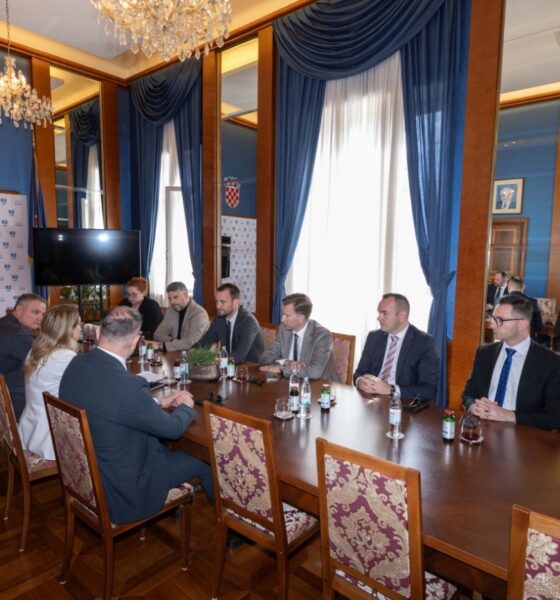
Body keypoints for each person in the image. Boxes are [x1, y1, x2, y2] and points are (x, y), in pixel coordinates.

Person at [59, 306, 214, 525]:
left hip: (90, 474)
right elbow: (172, 429)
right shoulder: (128, 386)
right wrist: (187, 407)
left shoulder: (77, 363)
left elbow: (111, 406)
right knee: (205, 461)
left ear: (98, 332)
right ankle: (230, 531)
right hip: (124, 490)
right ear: (134, 342)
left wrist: (158, 402)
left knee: (168, 448)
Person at [462, 295, 560, 430]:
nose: (492, 325)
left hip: (524, 435)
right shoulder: (484, 353)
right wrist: (473, 406)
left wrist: (510, 416)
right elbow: (468, 394)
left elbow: (554, 417)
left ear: (522, 324)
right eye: (493, 318)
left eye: (500, 320)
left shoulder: (550, 362)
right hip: (482, 430)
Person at [19, 304, 81, 460]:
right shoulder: (64, 356)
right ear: (69, 329)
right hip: (49, 438)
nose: (81, 328)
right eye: (79, 324)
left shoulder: (36, 350)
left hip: (31, 427)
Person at [353, 293, 439, 401]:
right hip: (371, 400)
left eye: (384, 313)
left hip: (402, 404)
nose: (379, 318)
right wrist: (360, 381)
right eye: (379, 313)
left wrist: (391, 390)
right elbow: (359, 372)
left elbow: (429, 390)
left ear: (402, 316)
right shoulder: (374, 337)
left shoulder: (425, 343)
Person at [259, 293, 339, 380]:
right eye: (283, 314)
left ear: (301, 318)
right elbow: (265, 357)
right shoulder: (284, 329)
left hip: (321, 385)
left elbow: (314, 372)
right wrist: (287, 362)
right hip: (291, 382)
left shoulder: (322, 336)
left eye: (287, 316)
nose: (282, 319)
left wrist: (281, 369)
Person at [0, 293, 47, 420]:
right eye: (35, 312)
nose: (40, 318)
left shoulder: (3, 323)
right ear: (19, 310)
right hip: (14, 402)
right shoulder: (19, 333)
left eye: (42, 314)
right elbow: (46, 363)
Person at [197, 283, 263, 363]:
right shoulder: (219, 318)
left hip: (249, 367)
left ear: (235, 303)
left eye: (222, 302)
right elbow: (204, 343)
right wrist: (191, 353)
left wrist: (213, 360)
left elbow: (238, 356)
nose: (218, 306)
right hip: (227, 366)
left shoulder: (249, 322)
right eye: (217, 301)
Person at [153, 282, 209, 352]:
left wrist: (162, 346)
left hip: (195, 355)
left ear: (185, 295)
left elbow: (190, 342)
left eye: (175, 297)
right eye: (170, 299)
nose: (172, 302)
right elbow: (157, 334)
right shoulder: (171, 310)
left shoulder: (199, 313)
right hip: (174, 353)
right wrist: (173, 340)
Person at [506, 275, 543, 340]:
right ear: (523, 287)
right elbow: (539, 326)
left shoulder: (499, 301)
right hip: (528, 340)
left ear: (508, 287)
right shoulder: (533, 302)